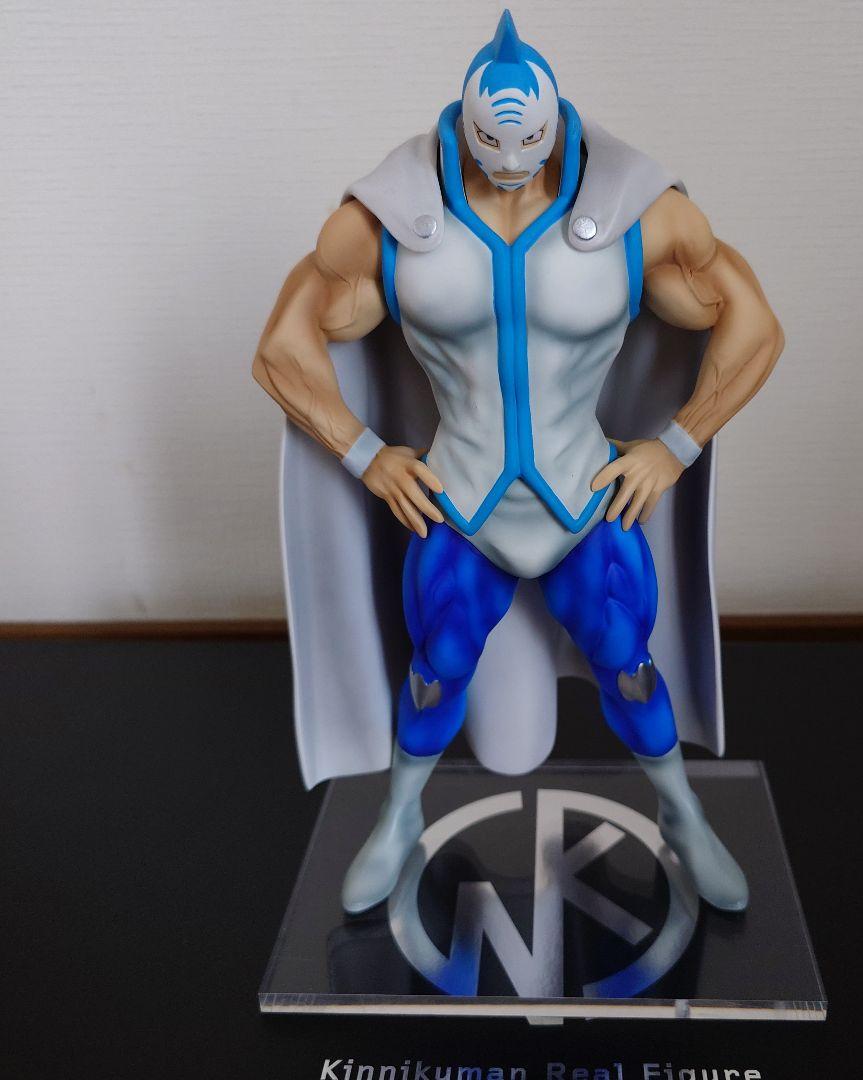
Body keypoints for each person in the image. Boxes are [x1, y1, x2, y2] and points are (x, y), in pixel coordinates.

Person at [254, 11, 784, 916]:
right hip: (462, 501)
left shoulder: (640, 215)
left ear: (554, 127)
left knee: (628, 663)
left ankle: (684, 814)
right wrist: (366, 454)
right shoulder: (389, 224)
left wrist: (677, 444)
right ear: (463, 125)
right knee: (437, 665)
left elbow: (755, 324)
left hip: (582, 497)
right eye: (490, 141)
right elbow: (281, 347)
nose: (508, 161)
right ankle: (399, 816)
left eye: (527, 142)